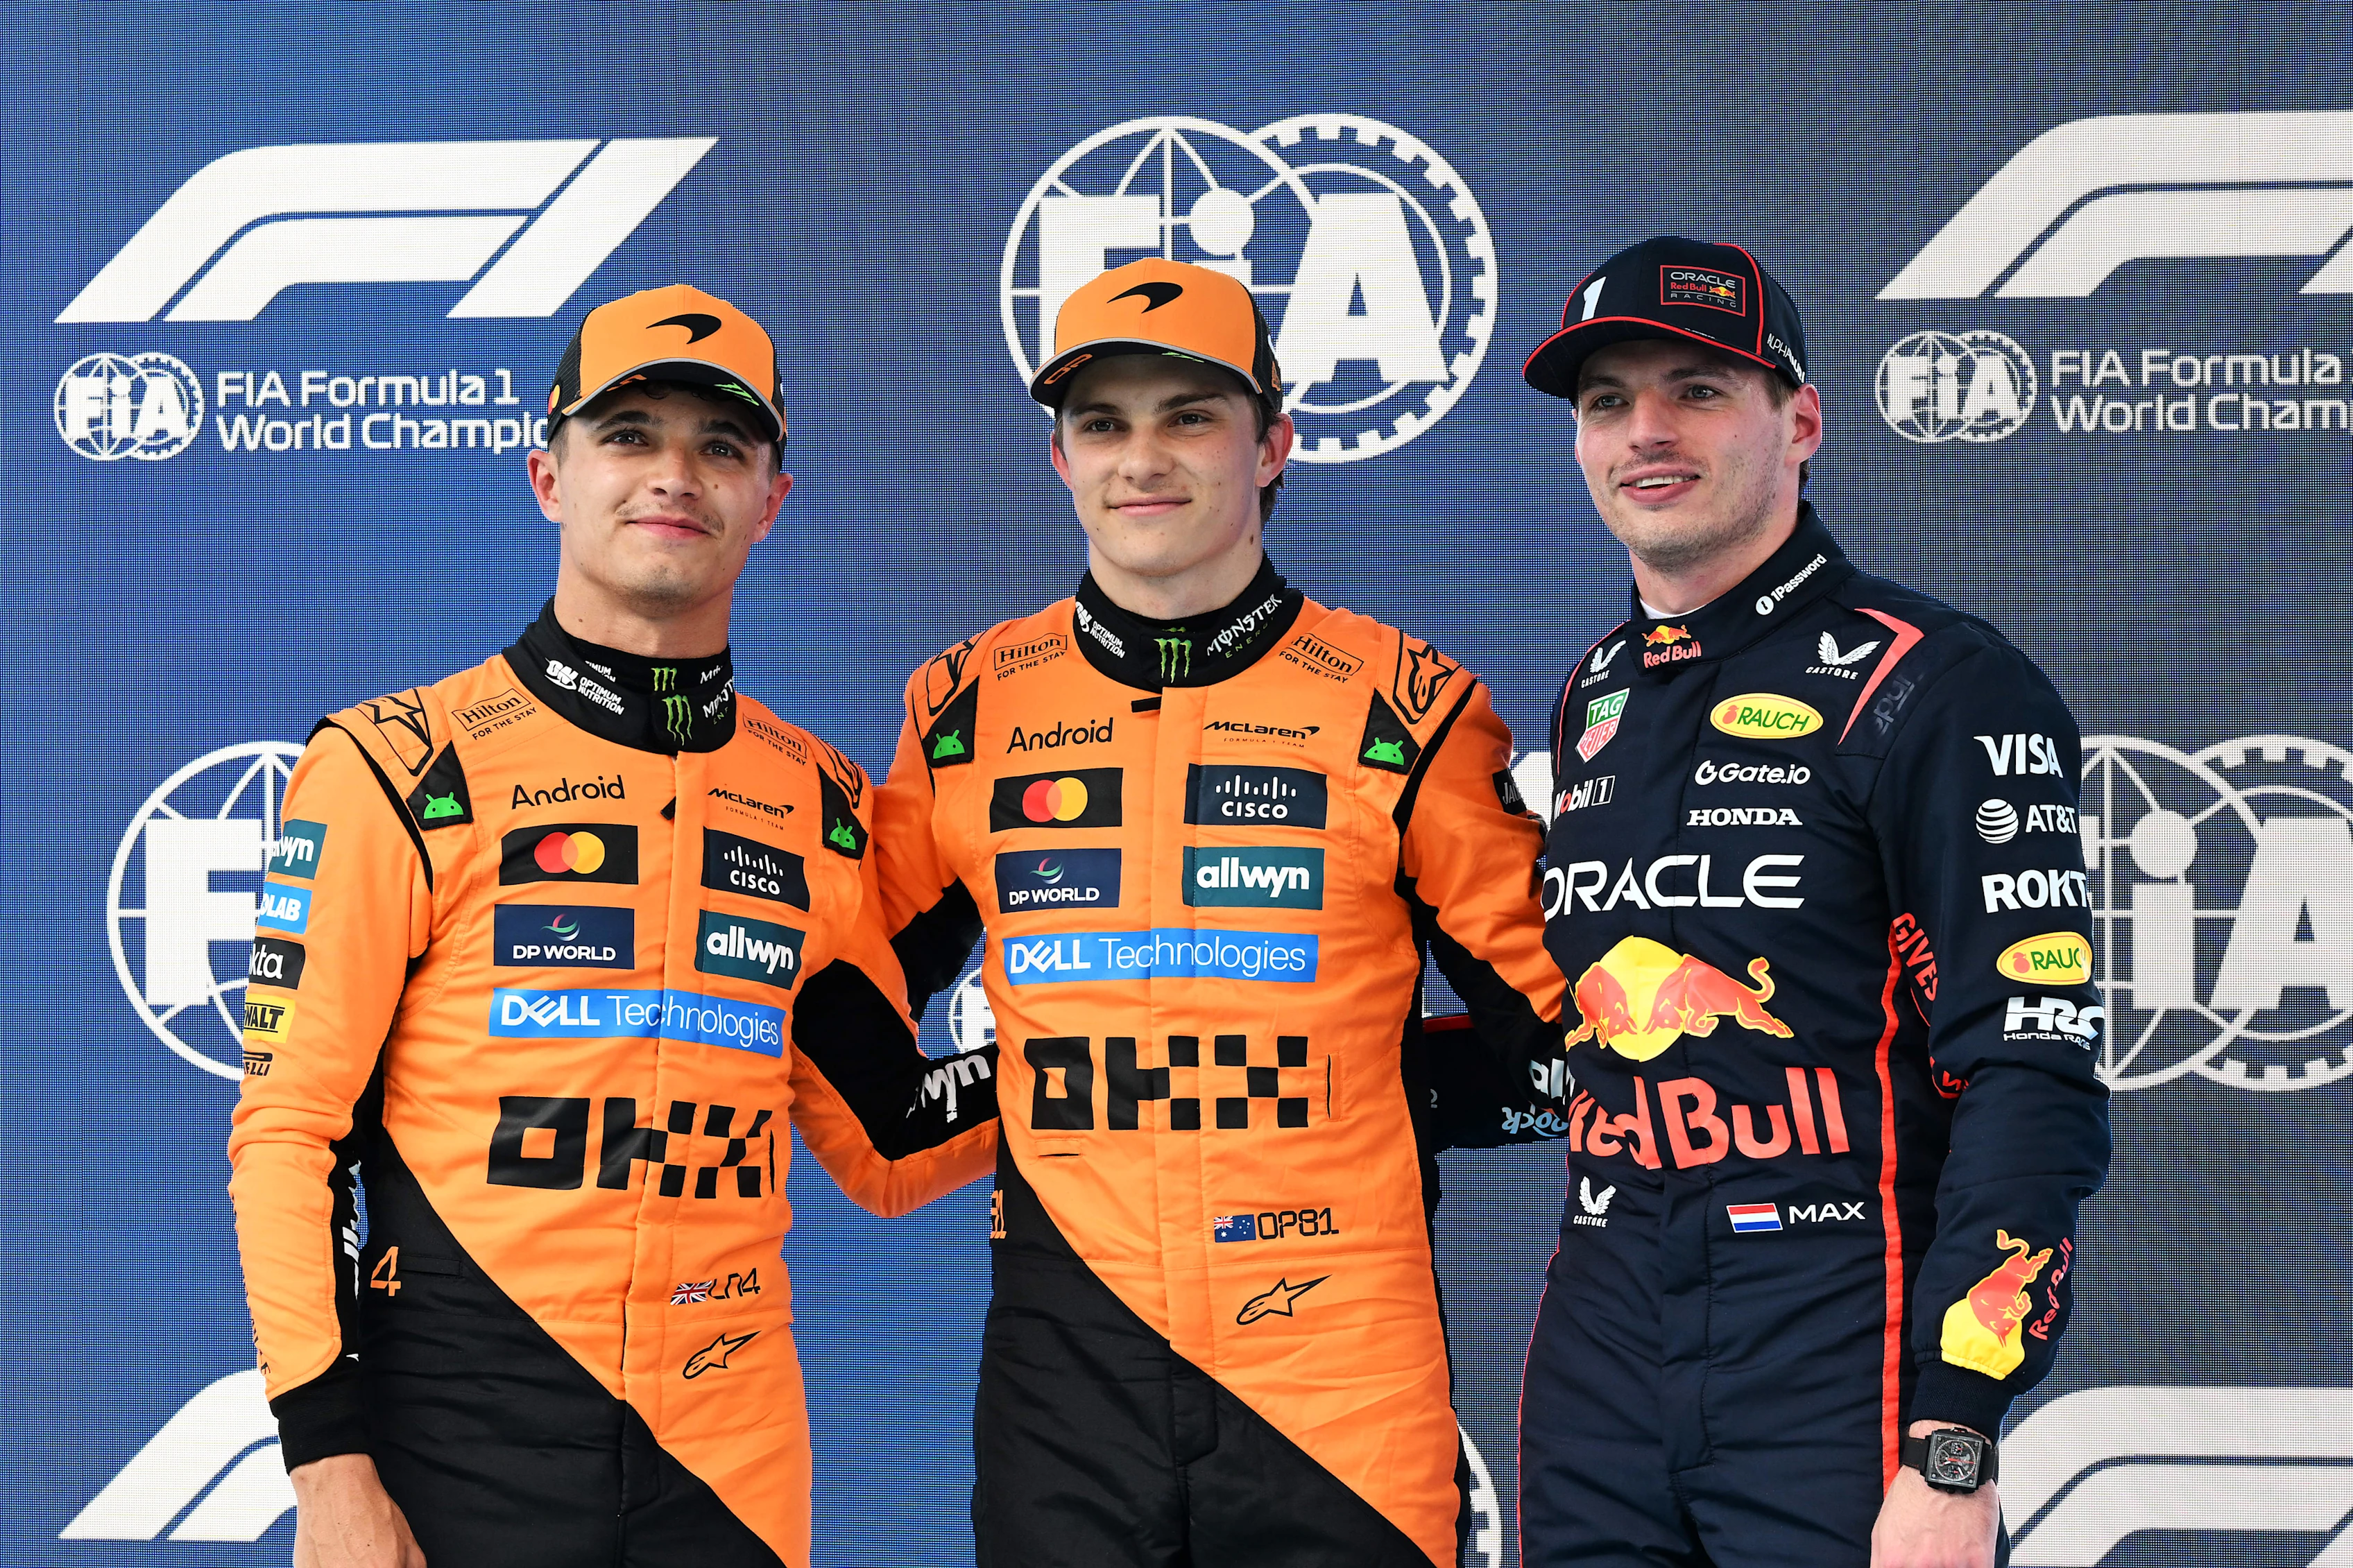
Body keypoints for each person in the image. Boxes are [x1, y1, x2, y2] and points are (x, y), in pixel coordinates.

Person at [228, 284, 998, 1568]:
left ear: (771, 499)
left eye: (722, 447)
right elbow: (289, 1135)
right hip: (458, 1434)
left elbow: (882, 1136)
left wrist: (1108, 1056)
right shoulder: (397, 765)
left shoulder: (818, 804)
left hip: (733, 1457)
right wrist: (330, 1472)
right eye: (629, 434)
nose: (674, 476)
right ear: (549, 474)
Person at [872, 257, 1571, 1566]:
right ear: (1062, 459)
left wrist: (1376, 1085)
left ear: (1274, 445)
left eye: (1191, 416)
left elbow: (1558, 1036)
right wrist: (1017, 1090)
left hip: (1336, 1373)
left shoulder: (1405, 703)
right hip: (1065, 1372)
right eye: (1104, 423)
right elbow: (837, 998)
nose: (1145, 458)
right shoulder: (968, 708)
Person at [1512, 236, 2111, 1567]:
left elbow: (2032, 1077)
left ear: (1804, 422)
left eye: (1697, 391)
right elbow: (1588, 1036)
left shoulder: (1940, 686)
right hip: (1601, 1356)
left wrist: (1954, 1442)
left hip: (1841, 1354)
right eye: (1609, 402)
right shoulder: (1593, 691)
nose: (1645, 433)